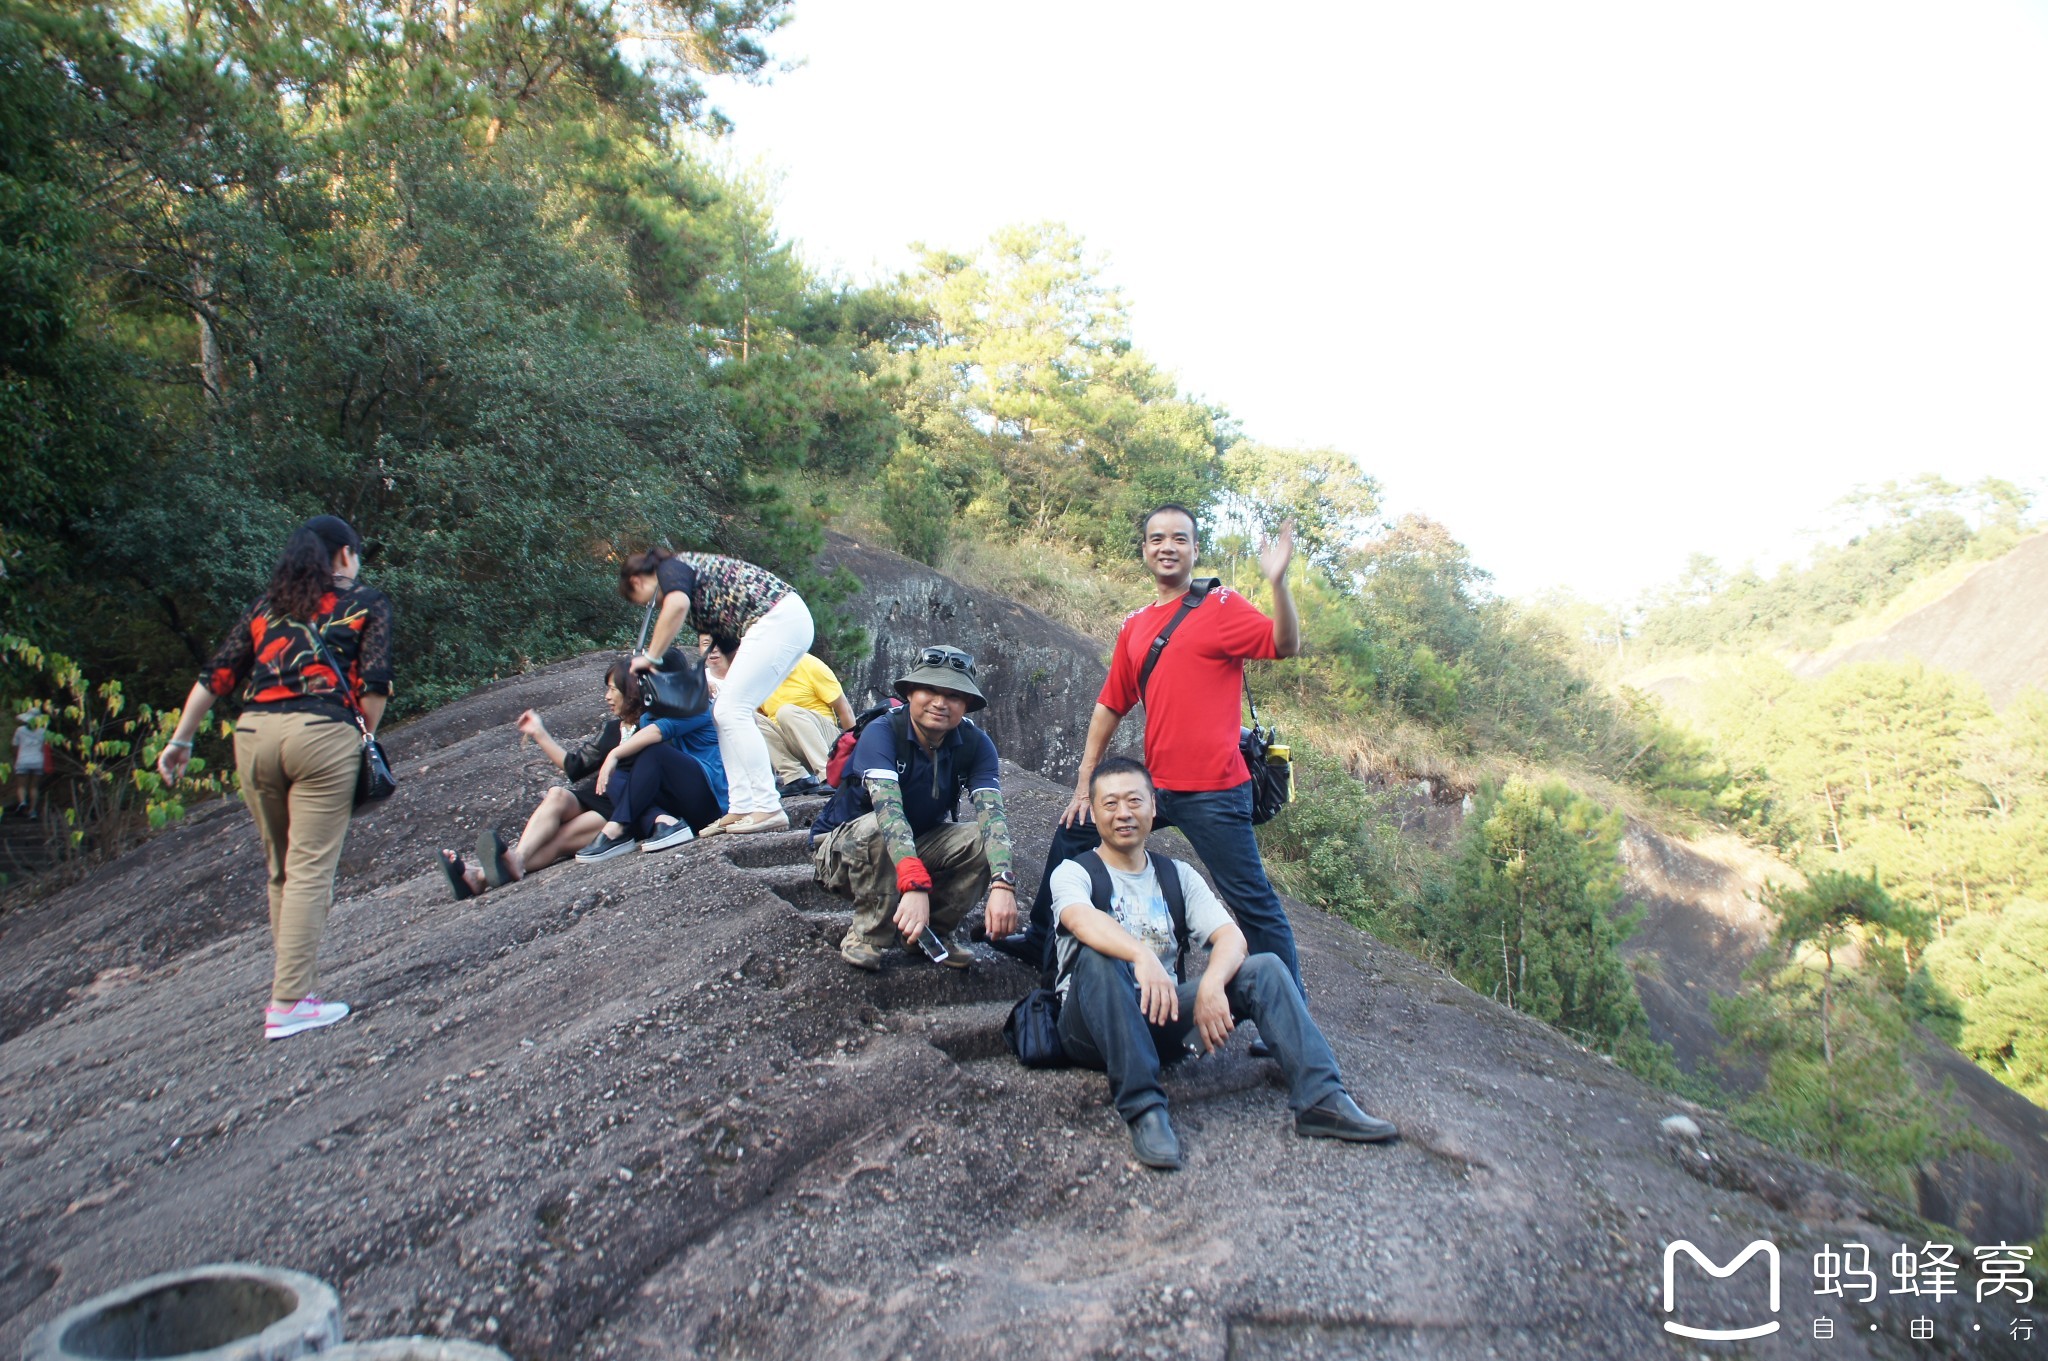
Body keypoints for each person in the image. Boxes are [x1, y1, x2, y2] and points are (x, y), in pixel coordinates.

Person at [1003, 505, 1308, 1027]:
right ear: (1144, 550)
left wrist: (1278, 584)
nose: (1167, 546)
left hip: (1214, 789)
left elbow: (1285, 644)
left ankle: (1287, 1015)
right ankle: (1039, 939)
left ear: (1193, 549)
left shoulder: (1222, 605)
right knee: (1075, 833)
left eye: (1179, 539)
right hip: (1156, 786)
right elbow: (1109, 704)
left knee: (1251, 901)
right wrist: (1084, 783)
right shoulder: (1137, 625)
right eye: (1156, 539)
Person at [1050, 757, 1398, 1170]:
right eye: (1109, 804)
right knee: (1099, 957)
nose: (1123, 813)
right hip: (1090, 1028)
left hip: (1160, 1018)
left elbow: (1230, 937)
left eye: (1133, 801)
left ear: (1154, 807)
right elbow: (1079, 917)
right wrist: (1140, 954)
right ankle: (1145, 1109)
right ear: (1094, 810)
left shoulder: (1177, 875)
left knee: (1264, 968)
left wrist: (1213, 984)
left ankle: (1322, 1099)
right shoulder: (1074, 872)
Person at [157, 515, 392, 1042]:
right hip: (320, 733)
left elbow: (216, 675)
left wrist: (180, 740)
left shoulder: (268, 608)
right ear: (344, 557)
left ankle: (298, 992)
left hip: (255, 734)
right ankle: (288, 1003)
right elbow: (374, 683)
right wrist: (363, 738)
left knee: (281, 867)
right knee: (311, 868)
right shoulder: (366, 603)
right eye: (355, 553)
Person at [438, 659, 725, 896]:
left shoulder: (657, 719)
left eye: (613, 689)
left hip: (628, 804)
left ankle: (484, 877)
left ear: (632, 690)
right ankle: (509, 862)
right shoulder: (614, 730)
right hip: (602, 793)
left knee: (563, 837)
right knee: (556, 795)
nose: (607, 696)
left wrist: (701, 684)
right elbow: (575, 766)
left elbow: (675, 696)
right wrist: (539, 732)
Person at [810, 646, 1019, 971]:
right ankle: (868, 934)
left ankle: (928, 933)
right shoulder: (882, 732)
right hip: (844, 853)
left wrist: (1003, 883)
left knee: (983, 842)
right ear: (910, 692)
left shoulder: (976, 744)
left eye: (953, 695)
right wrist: (914, 882)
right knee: (879, 826)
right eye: (930, 689)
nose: (940, 702)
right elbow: (888, 811)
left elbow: (993, 818)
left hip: (915, 847)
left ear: (967, 704)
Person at [619, 549, 812, 836]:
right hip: (780, 621)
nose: (654, 605)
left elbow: (676, 604)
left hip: (778, 619)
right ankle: (742, 805)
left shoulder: (671, 568)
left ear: (637, 581)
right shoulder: (696, 586)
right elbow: (730, 644)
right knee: (725, 710)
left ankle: (769, 806)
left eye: (645, 600)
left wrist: (652, 656)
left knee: (731, 710)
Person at [755, 652, 854, 795]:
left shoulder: (810, 664)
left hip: (826, 743)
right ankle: (796, 777)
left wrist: (854, 751)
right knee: (751, 718)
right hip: (795, 745)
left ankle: (828, 775)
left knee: (786, 712)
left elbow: (844, 709)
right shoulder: (761, 677)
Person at [9, 708, 46, 817]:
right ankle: (32, 811)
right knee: (34, 787)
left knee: (21, 785)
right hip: (38, 761)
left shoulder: (20, 730)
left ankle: (23, 802)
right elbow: (45, 748)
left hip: (23, 760)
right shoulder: (43, 731)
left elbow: (15, 746)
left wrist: (17, 757)